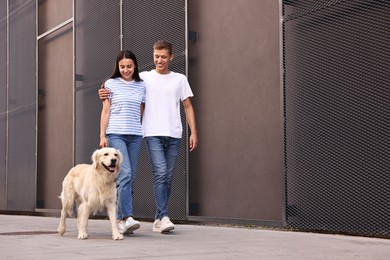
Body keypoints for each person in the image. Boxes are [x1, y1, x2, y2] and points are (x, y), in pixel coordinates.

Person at [99, 40, 198, 233]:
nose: (159, 60)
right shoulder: (143, 78)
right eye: (156, 56)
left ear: (171, 57)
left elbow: (187, 106)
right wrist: (102, 91)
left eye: (163, 57)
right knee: (156, 173)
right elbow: (116, 87)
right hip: (150, 132)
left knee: (166, 176)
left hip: (171, 133)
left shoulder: (178, 79)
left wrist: (193, 132)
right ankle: (145, 216)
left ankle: (158, 218)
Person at [99, 50, 145, 235]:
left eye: (129, 67)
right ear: (118, 67)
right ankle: (126, 217)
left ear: (135, 66)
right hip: (116, 133)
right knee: (124, 174)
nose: (126, 70)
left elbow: (142, 110)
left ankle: (118, 219)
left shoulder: (142, 85)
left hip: (135, 135)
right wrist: (102, 134)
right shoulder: (110, 84)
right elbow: (106, 111)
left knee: (130, 177)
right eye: (122, 67)